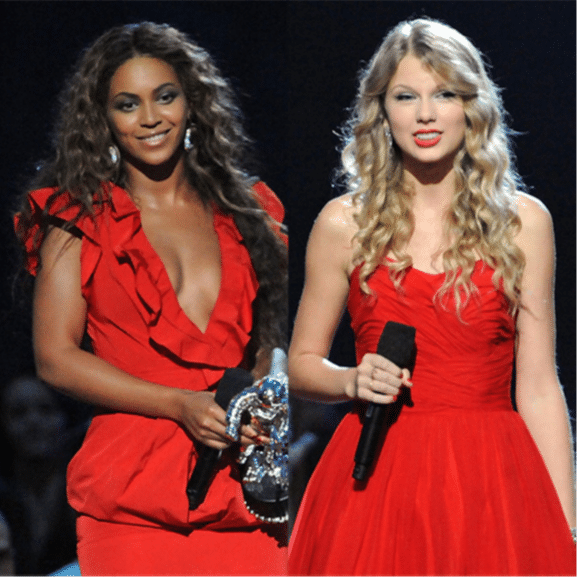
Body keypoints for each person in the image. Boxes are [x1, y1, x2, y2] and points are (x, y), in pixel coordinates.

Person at [288, 17, 576, 575]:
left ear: (471, 107)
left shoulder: (524, 223)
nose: (424, 114)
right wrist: (350, 379)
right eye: (405, 96)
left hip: (491, 482)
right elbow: (299, 366)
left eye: (443, 94)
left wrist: (562, 526)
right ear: (381, 110)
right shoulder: (344, 224)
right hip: (376, 480)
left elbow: (538, 383)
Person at [14, 22, 287, 575]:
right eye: (127, 104)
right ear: (104, 120)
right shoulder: (78, 218)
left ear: (192, 102)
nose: (151, 117)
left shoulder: (252, 213)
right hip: (131, 496)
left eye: (165, 96)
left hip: (241, 495)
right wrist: (178, 403)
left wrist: (268, 393)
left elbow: (269, 344)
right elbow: (55, 358)